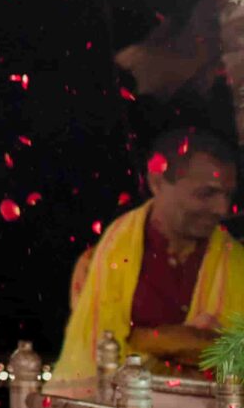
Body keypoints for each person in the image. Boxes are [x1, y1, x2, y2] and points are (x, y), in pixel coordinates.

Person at [56, 126, 244, 381]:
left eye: (227, 195)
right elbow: (100, 346)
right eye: (206, 193)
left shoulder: (234, 262)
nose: (222, 209)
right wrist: (187, 342)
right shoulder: (103, 258)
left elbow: (232, 352)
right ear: (157, 183)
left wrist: (143, 338)